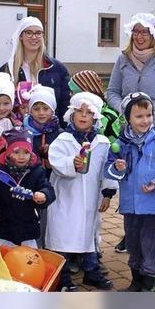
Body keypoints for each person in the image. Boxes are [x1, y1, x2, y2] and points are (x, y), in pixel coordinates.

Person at [105, 92, 155, 291]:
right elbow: (109, 168)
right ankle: (136, 280)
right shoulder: (121, 144)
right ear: (127, 118)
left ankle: (150, 280)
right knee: (133, 244)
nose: (145, 120)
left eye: (148, 115)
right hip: (130, 206)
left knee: (150, 245)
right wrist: (117, 167)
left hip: (153, 206)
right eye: (139, 116)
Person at [47, 92, 117, 291]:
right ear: (72, 113)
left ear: (95, 117)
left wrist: (108, 192)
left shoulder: (102, 143)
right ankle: (63, 277)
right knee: (63, 236)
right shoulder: (63, 139)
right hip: (66, 199)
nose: (84, 115)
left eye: (89, 112)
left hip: (90, 199)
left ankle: (91, 272)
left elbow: (106, 169)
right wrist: (71, 163)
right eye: (79, 111)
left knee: (89, 235)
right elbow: (57, 162)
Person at [106, 13, 155, 139]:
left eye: (144, 32)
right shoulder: (123, 59)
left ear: (154, 34)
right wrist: (124, 109)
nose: (139, 36)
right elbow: (112, 92)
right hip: (128, 132)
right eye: (136, 32)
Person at [0, 128, 56, 249]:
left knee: (30, 261)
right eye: (16, 152)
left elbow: (47, 188)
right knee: (4, 260)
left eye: (26, 152)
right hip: (4, 226)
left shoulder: (37, 171)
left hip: (29, 228)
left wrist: (44, 195)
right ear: (8, 152)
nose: (21, 157)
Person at [0, 16, 70, 124]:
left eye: (38, 33)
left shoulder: (57, 68)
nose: (34, 37)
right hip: (15, 131)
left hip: (51, 130)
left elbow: (65, 104)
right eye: (29, 32)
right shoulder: (8, 69)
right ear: (21, 36)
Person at [23, 84, 62, 248]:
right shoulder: (25, 131)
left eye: (45, 108)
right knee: (35, 216)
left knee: (53, 217)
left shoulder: (59, 133)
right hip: (32, 180)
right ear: (30, 110)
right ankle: (37, 247)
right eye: (36, 108)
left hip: (54, 180)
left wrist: (51, 152)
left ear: (52, 110)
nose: (41, 112)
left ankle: (51, 247)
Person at [69, 69, 124, 144]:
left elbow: (116, 143)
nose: (70, 95)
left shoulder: (108, 116)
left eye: (74, 92)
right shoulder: (74, 112)